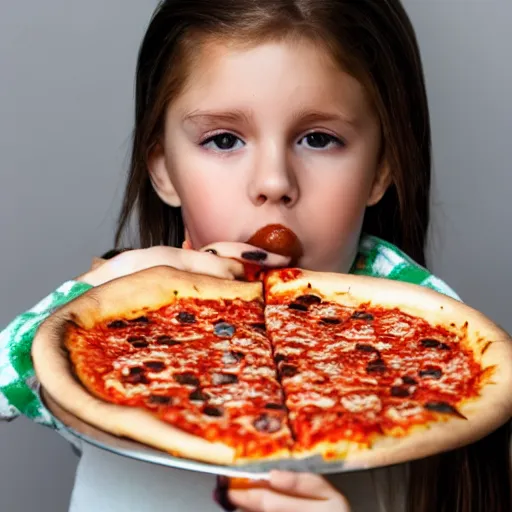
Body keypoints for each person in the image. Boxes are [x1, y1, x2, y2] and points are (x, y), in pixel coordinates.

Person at [1, 0, 510, 511]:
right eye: (224, 139)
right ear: (161, 168)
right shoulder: (111, 319)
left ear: (381, 169)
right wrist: (98, 293)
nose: (274, 182)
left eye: (319, 139)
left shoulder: (428, 328)